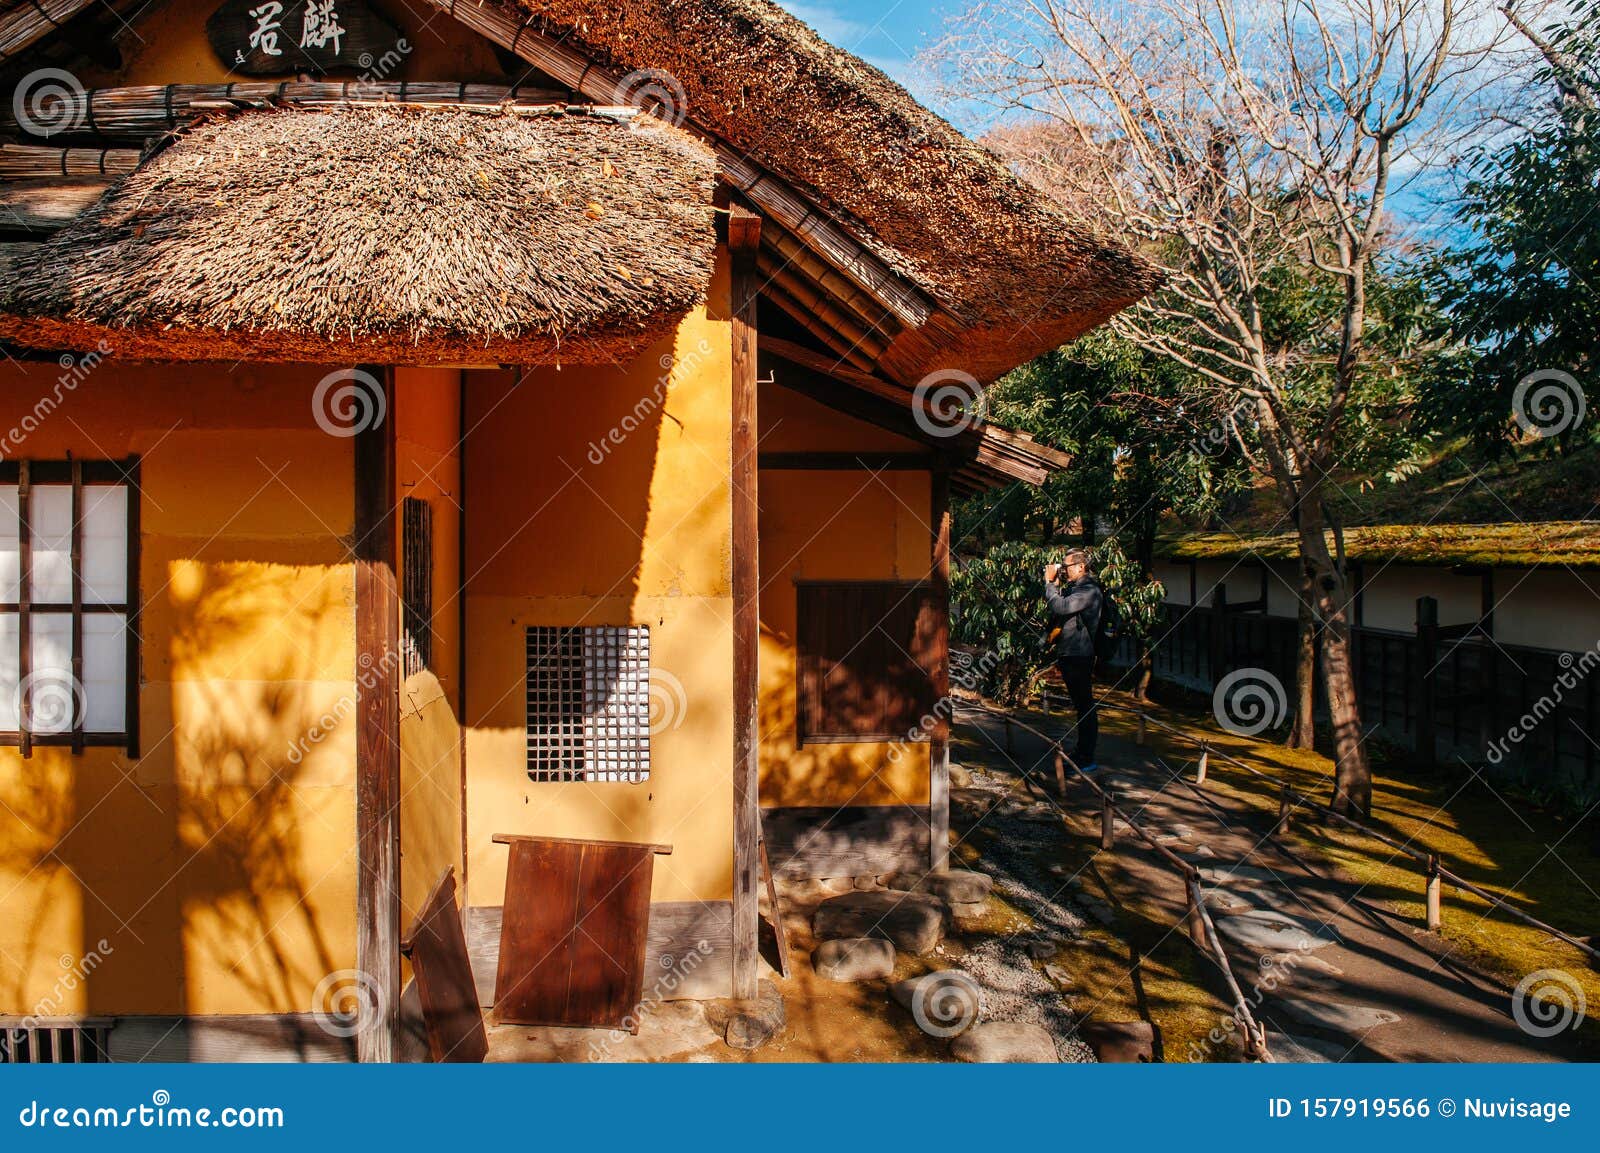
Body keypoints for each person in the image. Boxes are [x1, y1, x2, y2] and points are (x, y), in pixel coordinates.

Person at [1044, 549, 1103, 772]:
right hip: (1071, 653)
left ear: (1081, 567)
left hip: (1080, 654)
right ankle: (1082, 752)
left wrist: (1050, 584)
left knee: (1085, 706)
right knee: (1081, 705)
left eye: (1067, 566)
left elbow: (1061, 606)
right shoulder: (1077, 588)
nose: (1064, 570)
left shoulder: (1089, 591)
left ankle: (1086, 757)